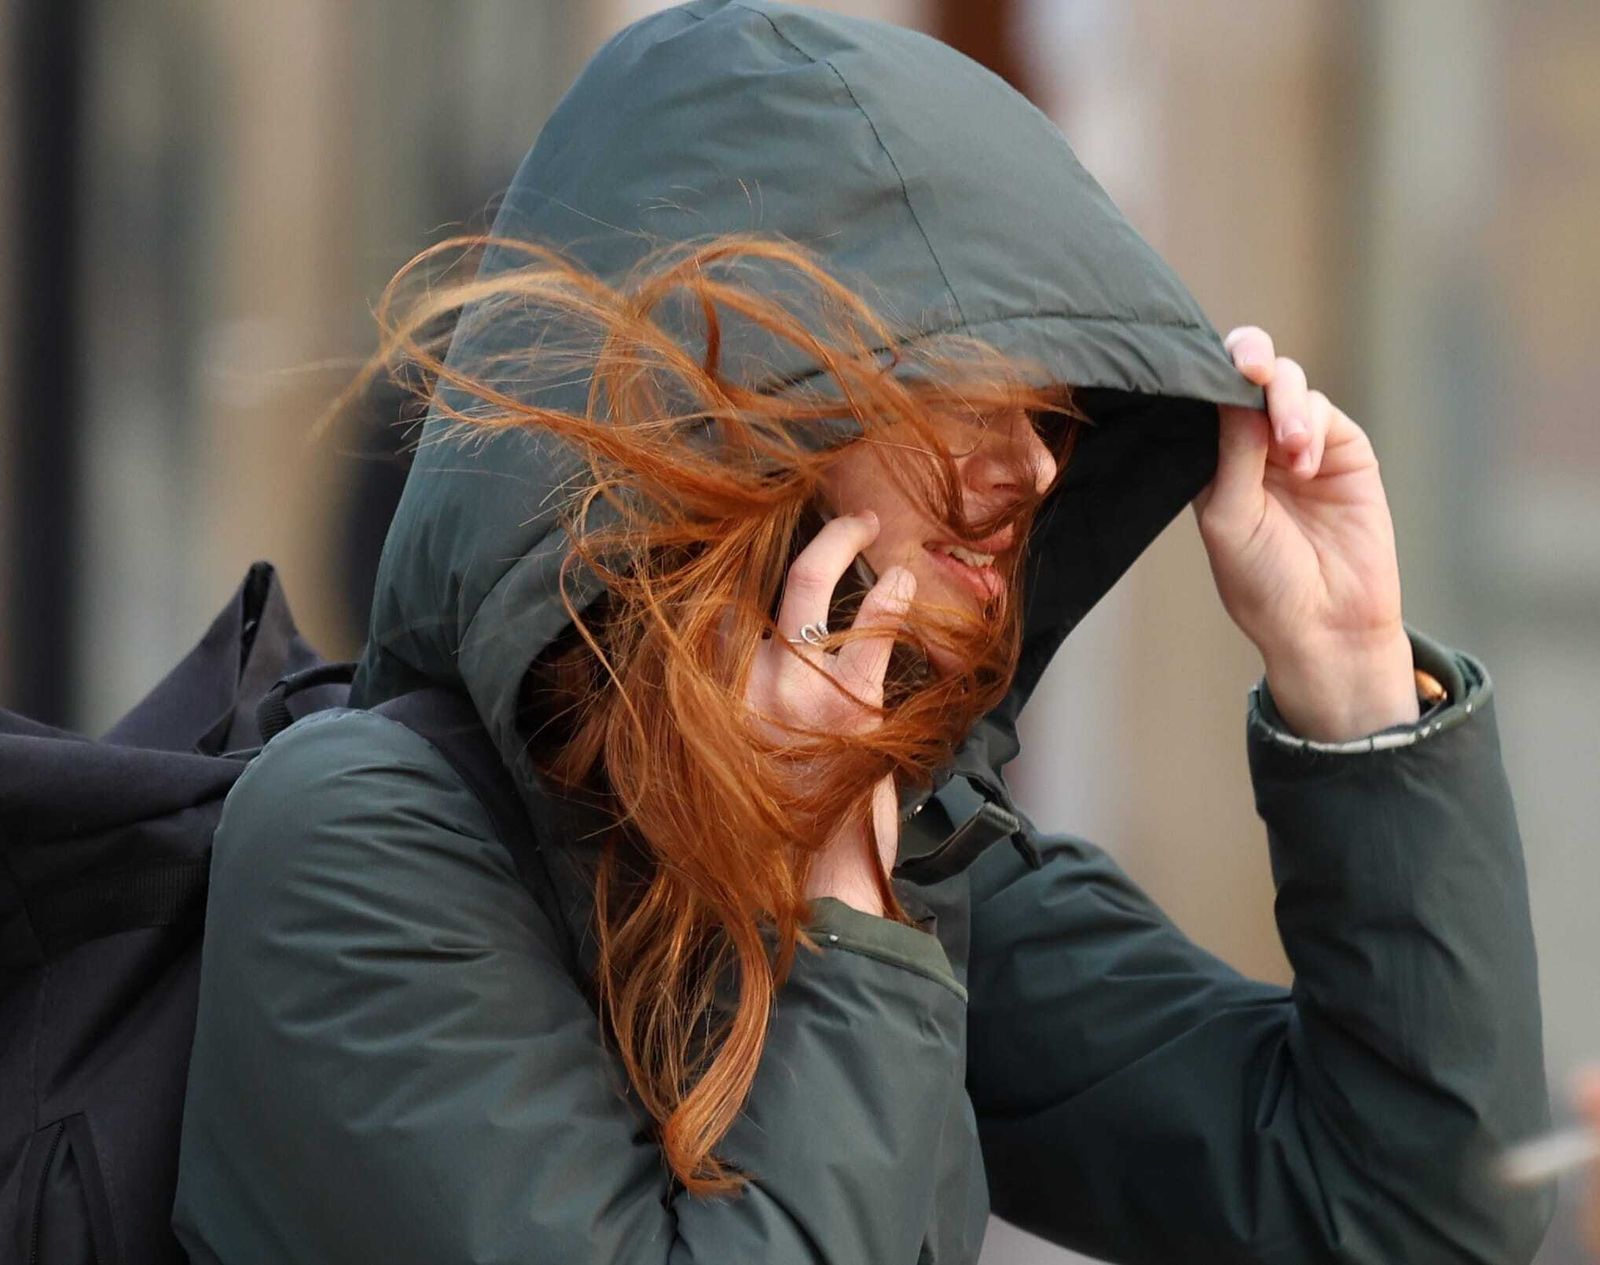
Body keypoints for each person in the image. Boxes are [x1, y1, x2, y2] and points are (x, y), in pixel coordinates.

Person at [171, 3, 1554, 1262]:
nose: (1040, 465)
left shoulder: (913, 855)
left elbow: (1409, 1212)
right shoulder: (353, 845)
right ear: (745, 392)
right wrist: (841, 921)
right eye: (969, 383)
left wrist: (1355, 680)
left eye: (1058, 410)